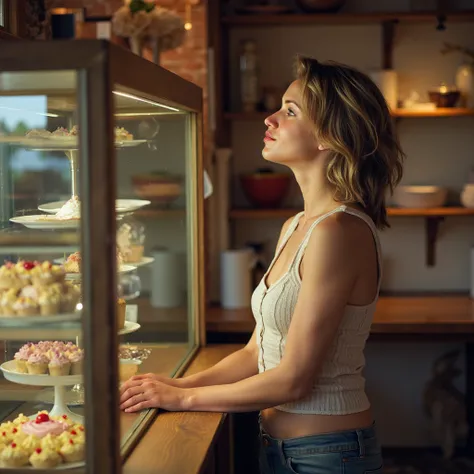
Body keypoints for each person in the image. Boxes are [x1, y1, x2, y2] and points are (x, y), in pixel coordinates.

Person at [120, 56, 405, 474]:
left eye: (290, 111)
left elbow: (293, 380)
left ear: (329, 135)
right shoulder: (297, 225)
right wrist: (179, 384)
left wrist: (183, 400)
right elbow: (258, 352)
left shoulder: (339, 232)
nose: (270, 119)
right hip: (283, 448)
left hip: (328, 456)